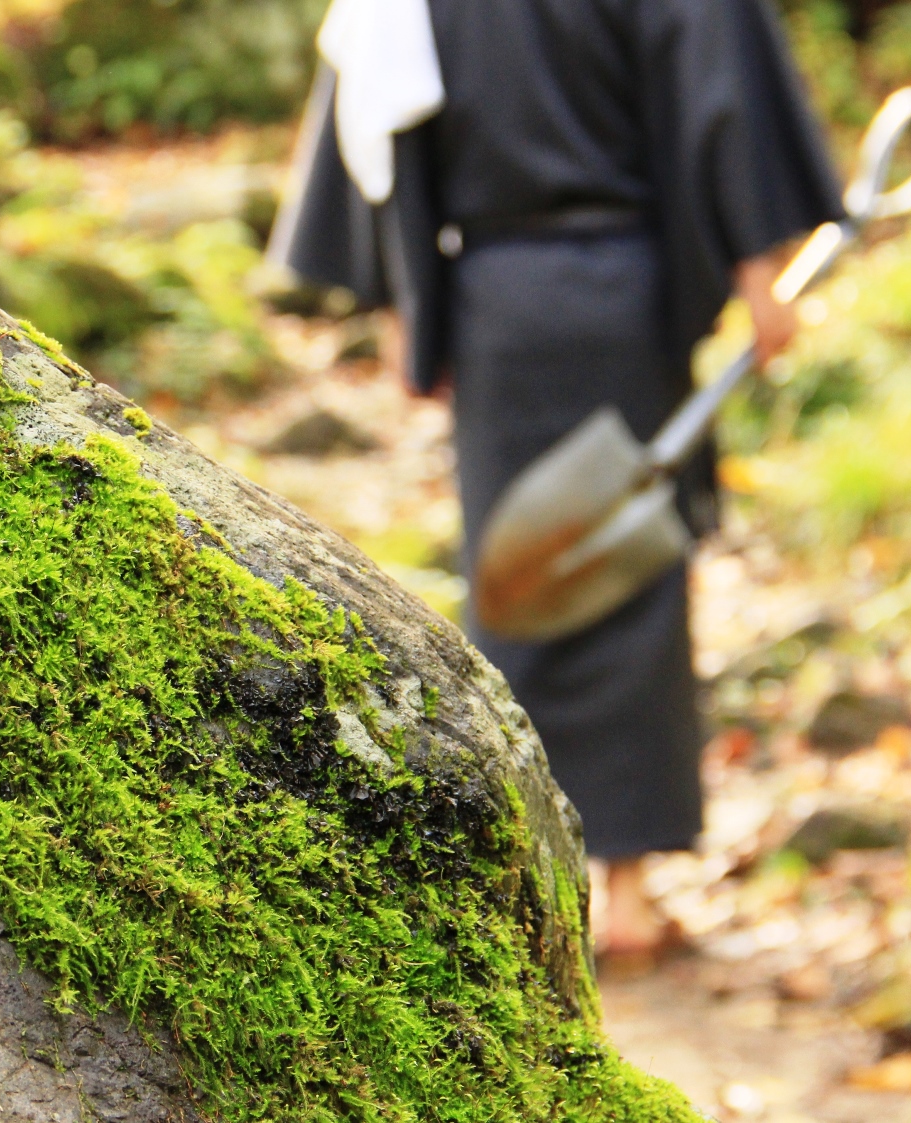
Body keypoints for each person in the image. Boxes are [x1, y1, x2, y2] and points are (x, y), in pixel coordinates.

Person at [269, 0, 844, 957]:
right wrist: (756, 273)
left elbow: (380, 113)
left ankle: (536, 888)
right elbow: (715, 92)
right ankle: (627, 897)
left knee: (518, 579)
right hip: (626, 290)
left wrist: (407, 304)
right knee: (631, 577)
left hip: (499, 301)